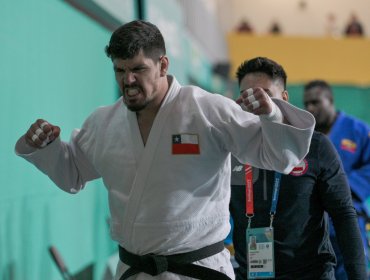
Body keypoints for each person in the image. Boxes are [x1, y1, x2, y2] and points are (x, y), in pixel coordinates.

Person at [15, 20, 315, 280]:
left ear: (163, 65)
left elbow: (280, 157)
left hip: (199, 270)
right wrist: (47, 148)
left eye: (138, 69)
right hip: (135, 270)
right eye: (119, 70)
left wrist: (272, 116)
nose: (127, 81)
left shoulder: (208, 109)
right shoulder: (103, 123)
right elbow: (72, 173)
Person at [230, 57, 367, 280]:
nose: (256, 103)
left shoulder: (316, 147)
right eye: (247, 95)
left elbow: (343, 215)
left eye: (265, 94)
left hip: (311, 274)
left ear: (284, 98)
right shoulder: (232, 149)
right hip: (251, 274)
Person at [303, 80, 370, 280]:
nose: (310, 108)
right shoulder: (305, 135)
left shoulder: (358, 130)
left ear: (330, 100)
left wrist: (341, 186)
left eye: (316, 102)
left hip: (348, 214)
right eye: (306, 104)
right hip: (313, 219)